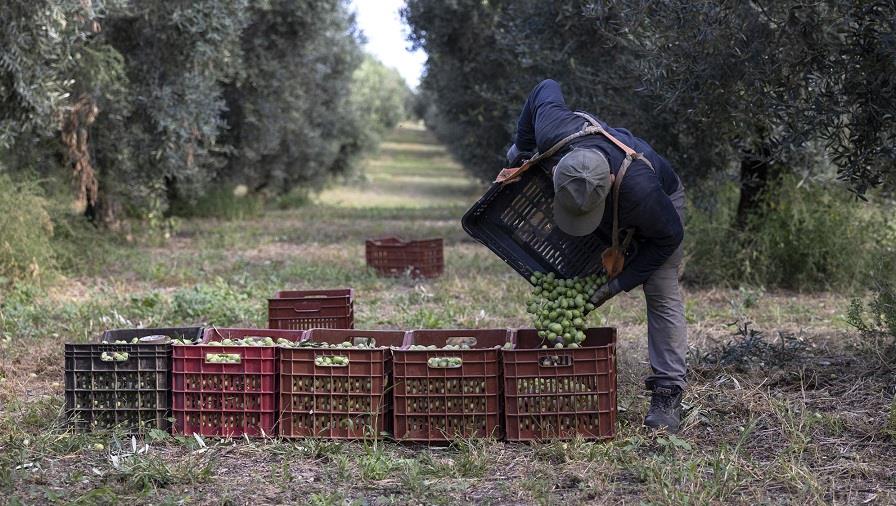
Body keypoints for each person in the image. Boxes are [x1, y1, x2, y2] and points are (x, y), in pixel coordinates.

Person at [506, 79, 687, 432]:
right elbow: (544, 85)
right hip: (608, 200)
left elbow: (667, 240)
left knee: (661, 289)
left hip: (660, 212)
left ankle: (668, 389)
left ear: (607, 186)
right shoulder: (554, 130)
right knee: (571, 270)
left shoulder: (644, 193)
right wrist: (521, 150)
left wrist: (616, 285)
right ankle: (558, 367)